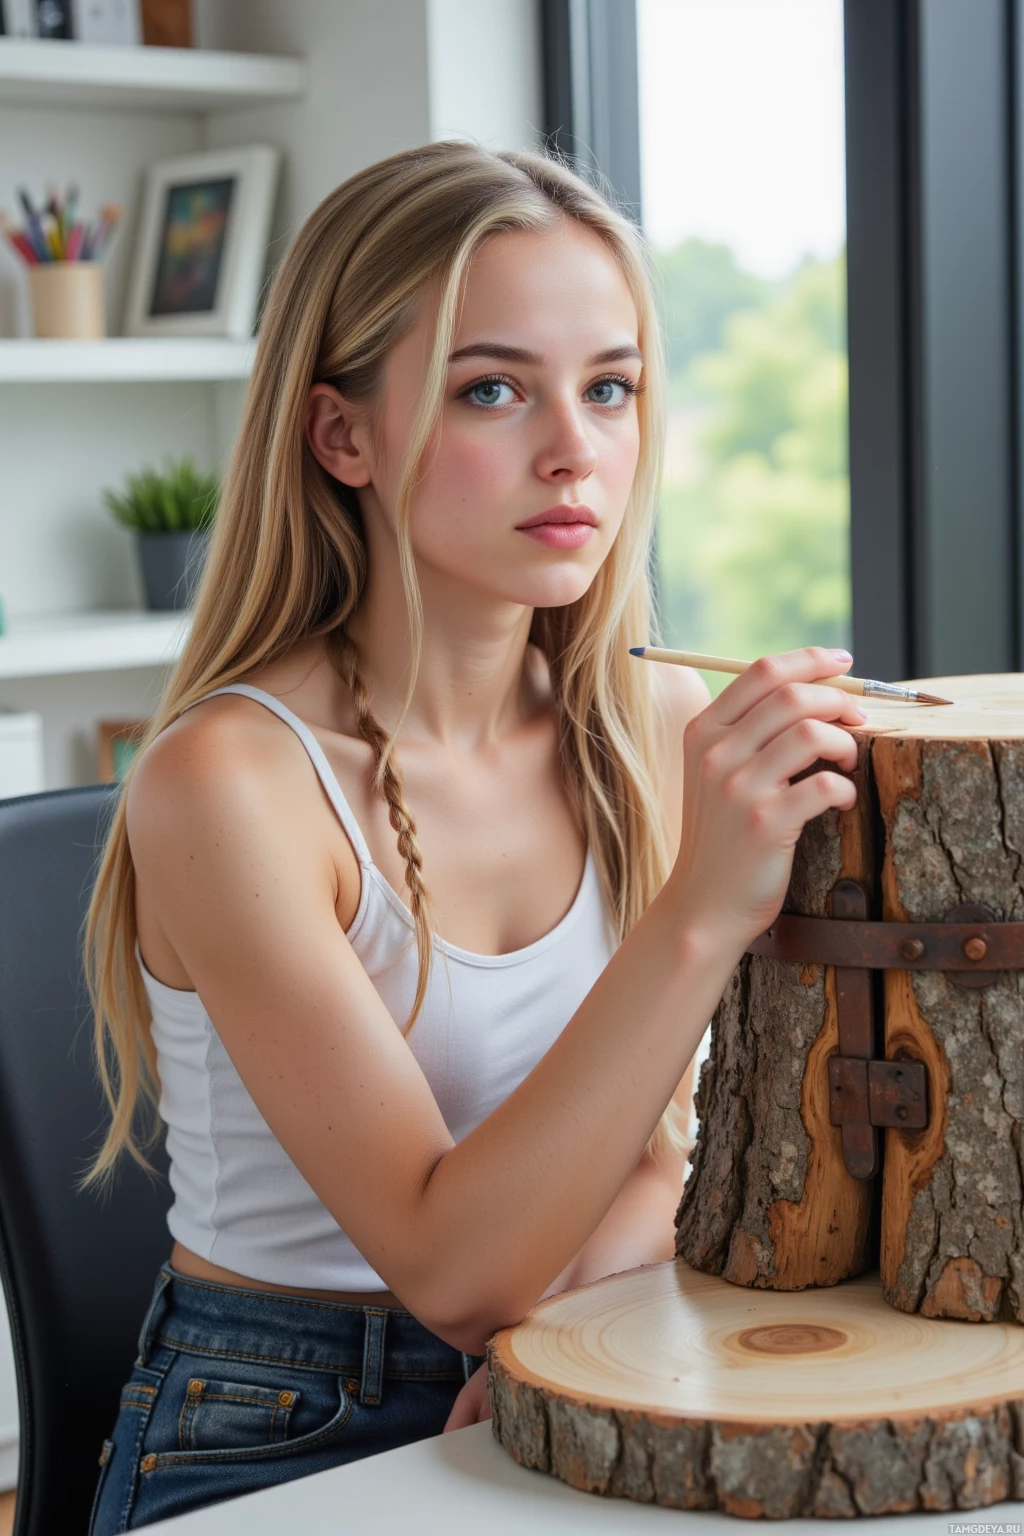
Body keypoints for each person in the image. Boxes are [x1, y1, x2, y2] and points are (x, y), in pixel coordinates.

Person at [83, 140, 863, 1534]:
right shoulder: (227, 783)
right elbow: (449, 1267)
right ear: (343, 436)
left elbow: (660, 1151)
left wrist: (553, 1329)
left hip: (592, 1341)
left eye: (610, 388)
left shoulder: (647, 722)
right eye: (493, 388)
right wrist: (702, 910)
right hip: (278, 1423)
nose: (576, 449)